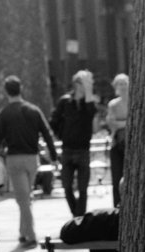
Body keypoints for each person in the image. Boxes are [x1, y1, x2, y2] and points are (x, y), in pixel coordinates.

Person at [0, 75, 59, 247]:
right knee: (25, 197)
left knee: (23, 198)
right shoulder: (33, 110)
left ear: (7, 92)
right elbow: (47, 133)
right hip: (32, 158)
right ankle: (22, 231)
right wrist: (54, 155)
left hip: (14, 158)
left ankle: (31, 235)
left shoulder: (4, 113)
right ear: (21, 89)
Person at [50, 70, 98, 217]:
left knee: (83, 189)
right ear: (77, 83)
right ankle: (76, 215)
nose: (88, 85)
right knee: (67, 187)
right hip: (68, 150)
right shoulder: (65, 101)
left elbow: (91, 114)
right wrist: (61, 135)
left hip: (83, 150)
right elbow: (53, 121)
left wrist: (89, 94)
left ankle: (79, 218)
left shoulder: (89, 103)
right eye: (85, 82)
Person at [104, 72, 130, 208]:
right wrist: (127, 123)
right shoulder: (113, 104)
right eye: (120, 84)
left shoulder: (135, 102)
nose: (123, 86)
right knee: (116, 177)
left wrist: (121, 123)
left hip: (131, 145)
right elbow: (111, 123)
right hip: (117, 144)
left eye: (125, 83)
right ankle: (117, 205)